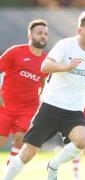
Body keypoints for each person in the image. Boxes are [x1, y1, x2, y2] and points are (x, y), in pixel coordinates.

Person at [3, 10, 85, 180]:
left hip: (73, 109)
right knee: (27, 154)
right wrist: (66, 67)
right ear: (79, 31)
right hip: (51, 106)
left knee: (82, 140)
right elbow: (45, 66)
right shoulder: (65, 45)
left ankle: (54, 165)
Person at [0, 19, 48, 165]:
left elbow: (44, 82)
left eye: (45, 34)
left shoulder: (47, 61)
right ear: (30, 35)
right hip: (5, 106)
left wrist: (43, 100)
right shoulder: (15, 52)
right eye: (39, 33)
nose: (43, 36)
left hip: (28, 108)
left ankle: (8, 172)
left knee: (20, 139)